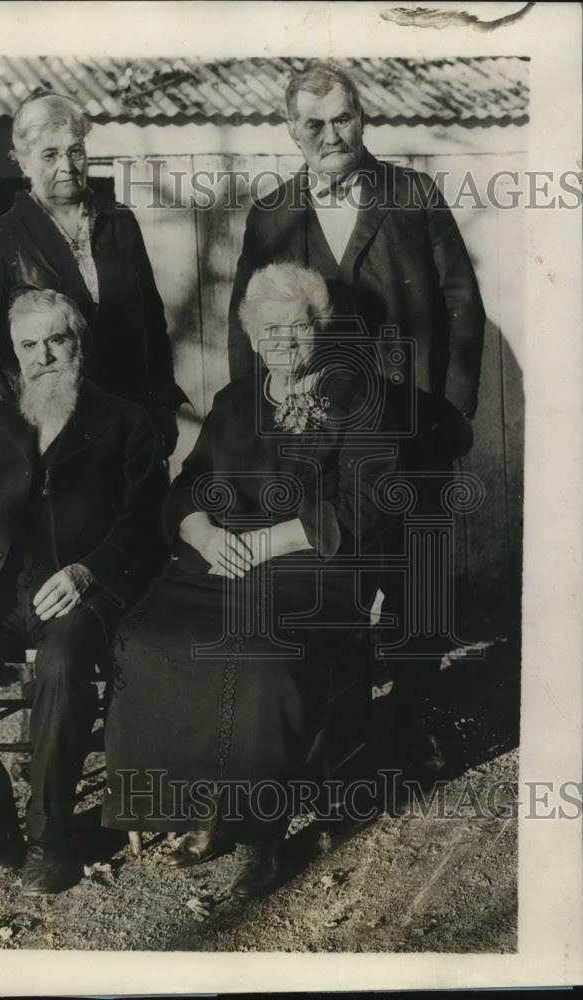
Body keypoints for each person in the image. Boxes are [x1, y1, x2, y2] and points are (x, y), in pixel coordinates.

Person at [103, 264, 398, 899]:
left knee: (260, 658)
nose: (283, 343)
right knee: (148, 642)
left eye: (297, 328)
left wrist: (269, 540)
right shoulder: (236, 401)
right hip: (222, 559)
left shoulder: (356, 398)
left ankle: (258, 830)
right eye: (269, 331)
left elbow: (366, 502)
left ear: (319, 332)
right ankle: (198, 806)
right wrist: (203, 533)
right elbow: (187, 485)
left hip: (308, 568)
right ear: (252, 336)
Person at [228, 62, 486, 770]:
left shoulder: (413, 196)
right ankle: (335, 731)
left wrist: (451, 414)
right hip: (321, 439)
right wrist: (260, 429)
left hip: (413, 427)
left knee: (416, 576)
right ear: (290, 131)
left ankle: (407, 724)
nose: (329, 134)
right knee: (332, 572)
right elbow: (243, 325)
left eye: (341, 118)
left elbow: (463, 308)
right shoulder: (273, 213)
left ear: (362, 118)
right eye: (312, 123)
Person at [0, 290, 167, 896]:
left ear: (81, 344)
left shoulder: (125, 423)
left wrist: (88, 572)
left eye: (57, 339)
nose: (44, 356)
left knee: (63, 660)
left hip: (81, 594)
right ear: (15, 356)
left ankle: (50, 835)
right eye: (29, 345)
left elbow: (146, 524)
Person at [0, 90, 187, 456]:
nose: (67, 166)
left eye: (75, 150)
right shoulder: (5, 237)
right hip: (52, 430)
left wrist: (163, 405)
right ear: (24, 163)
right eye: (50, 154)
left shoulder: (119, 223)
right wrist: (7, 416)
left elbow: (151, 323)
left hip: (129, 423)